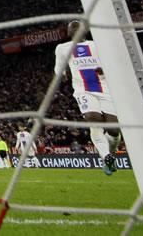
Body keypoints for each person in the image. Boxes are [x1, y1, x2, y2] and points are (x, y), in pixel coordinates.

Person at [55, 20, 120, 175]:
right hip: (82, 90)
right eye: (72, 28)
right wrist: (62, 77)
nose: (75, 30)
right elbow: (59, 70)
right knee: (93, 118)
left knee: (114, 130)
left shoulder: (97, 45)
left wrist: (105, 69)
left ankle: (110, 153)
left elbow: (112, 64)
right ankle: (106, 156)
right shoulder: (63, 48)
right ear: (69, 33)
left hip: (105, 89)